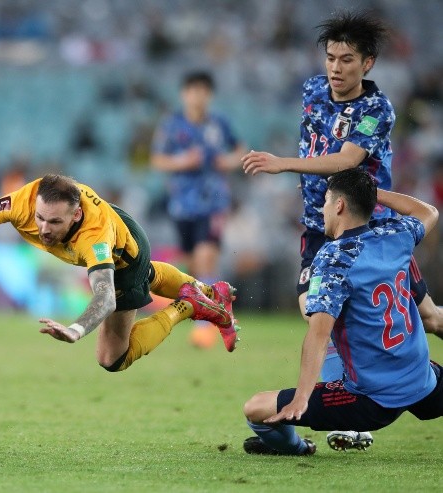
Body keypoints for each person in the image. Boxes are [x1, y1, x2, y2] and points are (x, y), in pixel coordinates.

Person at [241, 9, 442, 449]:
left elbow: (347, 161)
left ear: (367, 62)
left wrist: (281, 164)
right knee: (319, 314)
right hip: (320, 228)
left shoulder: (377, 108)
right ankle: (353, 411)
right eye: (331, 57)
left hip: (373, 232)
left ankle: (356, 409)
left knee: (427, 317)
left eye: (347, 59)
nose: (335, 67)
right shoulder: (313, 89)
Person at [0, 174, 240, 371]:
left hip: (124, 257)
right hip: (118, 222)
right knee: (148, 276)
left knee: (112, 359)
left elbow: (104, 298)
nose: (43, 229)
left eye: (55, 223)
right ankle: (211, 293)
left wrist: (75, 329)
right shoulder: (23, 201)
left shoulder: (94, 239)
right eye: (40, 218)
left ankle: (187, 306)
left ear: (75, 215)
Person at [242, 167, 441, 456]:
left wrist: (302, 396)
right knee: (433, 318)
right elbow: (429, 211)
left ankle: (296, 447)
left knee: (255, 407)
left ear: (339, 205)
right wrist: (371, 194)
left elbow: (319, 334)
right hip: (423, 380)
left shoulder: (334, 258)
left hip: (373, 400)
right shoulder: (396, 235)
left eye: (325, 200)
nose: (322, 209)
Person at [150, 71, 245, 345]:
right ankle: (216, 307)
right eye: (193, 90)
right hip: (182, 205)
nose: (198, 96)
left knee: (206, 258)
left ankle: (205, 326)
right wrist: (183, 162)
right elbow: (157, 160)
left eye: (203, 91)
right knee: (191, 265)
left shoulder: (219, 123)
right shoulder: (171, 125)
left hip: (213, 202)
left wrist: (228, 161)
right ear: (184, 94)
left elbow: (239, 151)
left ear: (210, 95)